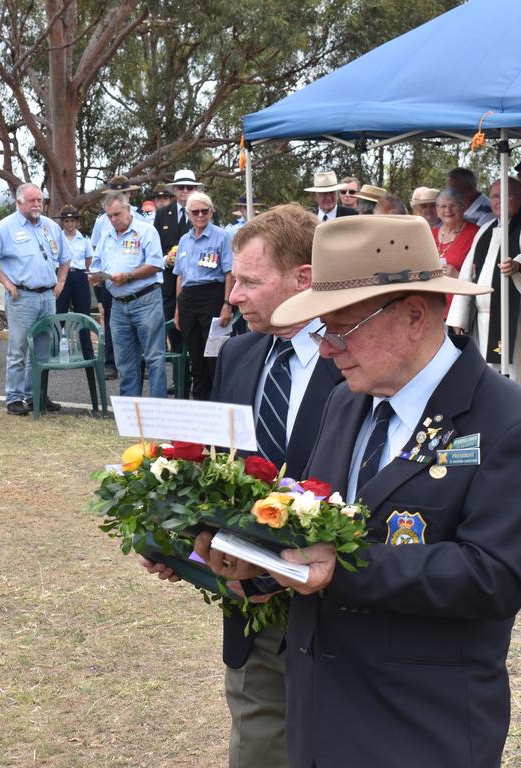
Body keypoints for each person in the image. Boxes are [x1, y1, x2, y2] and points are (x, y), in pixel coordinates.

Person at [197, 214, 521, 768]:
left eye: (339, 328)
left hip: (419, 727)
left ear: (414, 315)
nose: (325, 350)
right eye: (321, 331)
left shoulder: (503, 420)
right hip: (316, 711)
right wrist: (258, 559)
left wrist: (343, 568)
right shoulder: (347, 402)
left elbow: (494, 576)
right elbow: (317, 520)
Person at [140, 204, 341, 768]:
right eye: (233, 279)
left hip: (337, 614)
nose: (233, 296)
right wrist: (181, 540)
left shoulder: (357, 359)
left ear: (304, 278)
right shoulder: (240, 352)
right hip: (251, 613)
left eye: (250, 281)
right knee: (257, 747)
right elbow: (221, 469)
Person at [0, 183, 69, 415]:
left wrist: (61, 282)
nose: (37, 204)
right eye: (32, 201)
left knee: (42, 351)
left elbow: (66, 257)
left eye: (40, 200)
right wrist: (5, 282)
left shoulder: (50, 226)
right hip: (22, 297)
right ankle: (14, 398)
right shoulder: (6, 227)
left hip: (47, 296)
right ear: (19, 202)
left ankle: (36, 395)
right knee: (18, 350)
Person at [88, 191, 166, 396]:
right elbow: (96, 264)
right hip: (118, 304)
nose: (114, 220)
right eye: (110, 216)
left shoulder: (146, 231)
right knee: (125, 360)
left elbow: (156, 264)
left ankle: (158, 409)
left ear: (128, 209)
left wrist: (129, 276)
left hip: (145, 300)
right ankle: (131, 411)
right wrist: (95, 277)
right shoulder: (106, 237)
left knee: (154, 358)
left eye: (117, 214)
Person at [447, 177, 521, 376]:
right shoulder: (484, 231)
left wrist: (517, 265)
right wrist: (458, 317)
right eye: (495, 196)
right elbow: (466, 276)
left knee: (513, 374)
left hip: (513, 318)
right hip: (481, 319)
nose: (499, 201)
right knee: (486, 374)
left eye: (507, 195)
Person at [173, 191, 233, 400]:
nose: (200, 215)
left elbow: (229, 273)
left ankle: (218, 399)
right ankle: (200, 401)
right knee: (195, 353)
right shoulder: (184, 240)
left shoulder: (222, 236)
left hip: (212, 295)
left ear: (211, 211)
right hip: (188, 298)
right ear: (188, 214)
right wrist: (178, 310)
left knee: (214, 353)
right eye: (195, 211)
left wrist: (227, 304)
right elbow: (180, 277)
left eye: (204, 211)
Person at [91, 176, 142, 382]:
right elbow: (96, 248)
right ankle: (110, 363)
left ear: (129, 194)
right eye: (116, 194)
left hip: (136, 280)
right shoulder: (102, 220)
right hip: (110, 280)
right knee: (112, 322)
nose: (121, 197)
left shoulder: (141, 218)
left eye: (124, 193)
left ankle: (139, 363)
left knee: (138, 323)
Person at [156, 169, 202, 355]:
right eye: (180, 187)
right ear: (174, 190)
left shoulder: (203, 212)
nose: (184, 191)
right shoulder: (162, 214)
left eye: (189, 187)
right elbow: (155, 247)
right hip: (169, 281)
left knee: (196, 333)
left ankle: (197, 378)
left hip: (195, 280)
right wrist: (166, 259)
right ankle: (179, 380)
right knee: (173, 330)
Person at [53, 205, 94, 360]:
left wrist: (88, 275)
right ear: (63, 222)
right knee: (59, 313)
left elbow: (89, 259)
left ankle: (88, 353)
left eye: (72, 221)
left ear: (76, 222)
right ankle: (55, 350)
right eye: (66, 221)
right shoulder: (57, 239)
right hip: (61, 277)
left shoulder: (84, 240)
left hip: (79, 276)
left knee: (83, 314)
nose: (69, 224)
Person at [432, 187, 479, 281]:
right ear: (437, 209)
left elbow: (483, 275)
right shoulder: (430, 235)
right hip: (431, 293)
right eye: (443, 206)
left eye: (452, 205)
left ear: (463, 207)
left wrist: (458, 276)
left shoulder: (476, 233)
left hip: (460, 294)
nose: (448, 210)